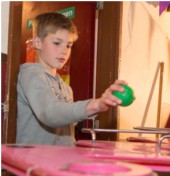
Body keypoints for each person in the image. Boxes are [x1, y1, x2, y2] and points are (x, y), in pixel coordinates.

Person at [16, 12, 126, 146]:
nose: (64, 51)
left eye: (68, 45)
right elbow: (50, 113)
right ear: (37, 42)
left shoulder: (66, 87)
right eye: (57, 43)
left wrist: (100, 105)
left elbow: (66, 121)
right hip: (33, 164)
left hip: (61, 162)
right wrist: (95, 105)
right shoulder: (31, 75)